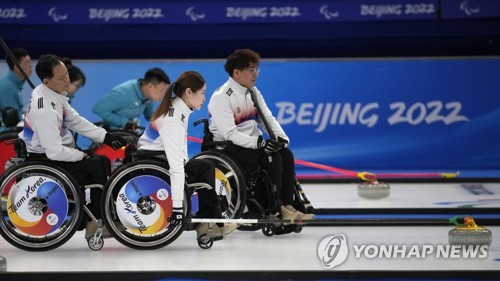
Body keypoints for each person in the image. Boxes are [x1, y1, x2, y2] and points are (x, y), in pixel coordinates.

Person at [18, 54, 128, 239]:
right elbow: (54, 151)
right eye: (61, 78)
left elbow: (75, 120)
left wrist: (106, 137)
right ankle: (96, 221)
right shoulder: (45, 108)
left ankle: (97, 217)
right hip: (45, 159)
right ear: (47, 80)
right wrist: (79, 155)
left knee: (98, 160)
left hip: (52, 151)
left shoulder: (51, 94)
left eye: (67, 74)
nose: (67, 80)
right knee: (97, 164)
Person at [207, 49, 314, 221]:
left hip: (252, 144)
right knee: (271, 157)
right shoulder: (221, 97)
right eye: (251, 70)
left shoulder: (253, 92)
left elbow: (267, 119)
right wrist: (260, 144)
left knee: (285, 154)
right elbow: (230, 134)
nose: (255, 74)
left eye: (257, 69)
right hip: (229, 148)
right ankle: (276, 208)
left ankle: (288, 205)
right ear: (237, 72)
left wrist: (282, 138)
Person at [137, 70, 237, 239]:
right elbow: (175, 167)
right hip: (155, 169)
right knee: (204, 167)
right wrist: (177, 208)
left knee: (204, 166)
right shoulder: (172, 118)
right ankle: (211, 221)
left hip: (157, 161)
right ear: (189, 92)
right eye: (203, 93)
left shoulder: (178, 110)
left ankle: (211, 218)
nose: (204, 99)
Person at [93, 67, 170, 130]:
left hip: (130, 134)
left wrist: (165, 123)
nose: (163, 95)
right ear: (150, 86)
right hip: (113, 135)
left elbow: (149, 115)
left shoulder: (147, 96)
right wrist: (123, 122)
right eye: (161, 90)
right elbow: (98, 109)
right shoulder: (124, 93)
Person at [0, 48, 32, 130]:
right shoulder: (7, 88)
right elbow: (11, 124)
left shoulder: (13, 85)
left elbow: (19, 112)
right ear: (16, 68)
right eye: (27, 63)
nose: (30, 66)